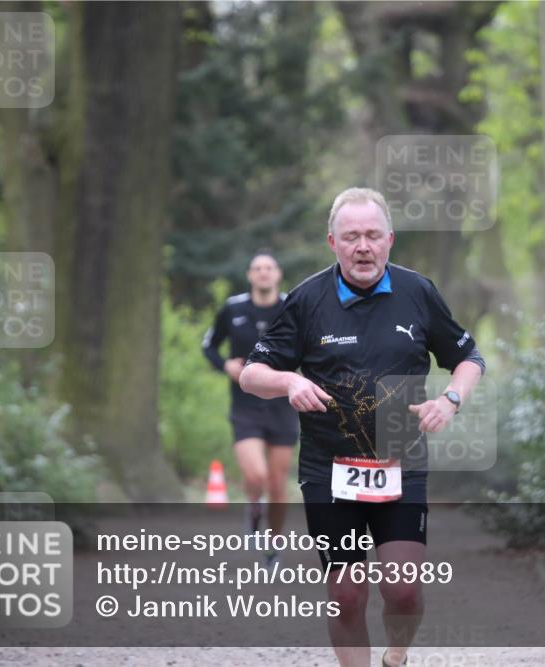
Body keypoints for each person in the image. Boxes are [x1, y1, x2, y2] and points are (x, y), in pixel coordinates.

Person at [240, 188, 485, 667]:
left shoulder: (417, 292)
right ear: (332, 242)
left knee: (403, 590)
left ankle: (397, 654)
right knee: (347, 596)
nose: (363, 247)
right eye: (351, 237)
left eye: (373, 235)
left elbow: (468, 359)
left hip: (400, 458)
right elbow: (252, 374)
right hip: (329, 467)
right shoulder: (307, 299)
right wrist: (290, 381)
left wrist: (450, 400)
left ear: (390, 239)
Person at [202, 250, 299, 564]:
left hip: (283, 405)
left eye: (269, 267)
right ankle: (253, 507)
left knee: (277, 483)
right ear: (250, 275)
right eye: (257, 268)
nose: (263, 272)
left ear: (278, 274)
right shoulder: (233, 308)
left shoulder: (293, 306)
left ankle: (274, 545)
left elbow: (311, 345)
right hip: (245, 405)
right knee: (256, 476)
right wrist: (225, 365)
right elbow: (209, 345)